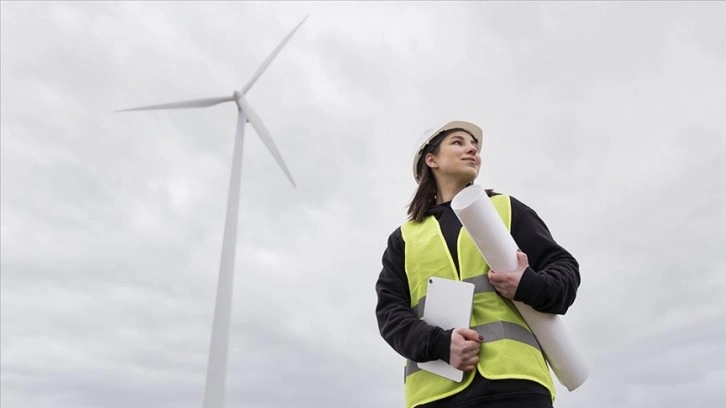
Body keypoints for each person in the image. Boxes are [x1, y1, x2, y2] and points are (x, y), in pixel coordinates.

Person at [375, 120, 581, 408]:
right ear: (431, 159)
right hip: (435, 395)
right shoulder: (405, 239)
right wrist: (439, 344)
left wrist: (528, 285)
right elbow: (389, 314)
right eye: (458, 142)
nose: (472, 149)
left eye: (474, 145)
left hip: (515, 384)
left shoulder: (505, 209)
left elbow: (565, 270)